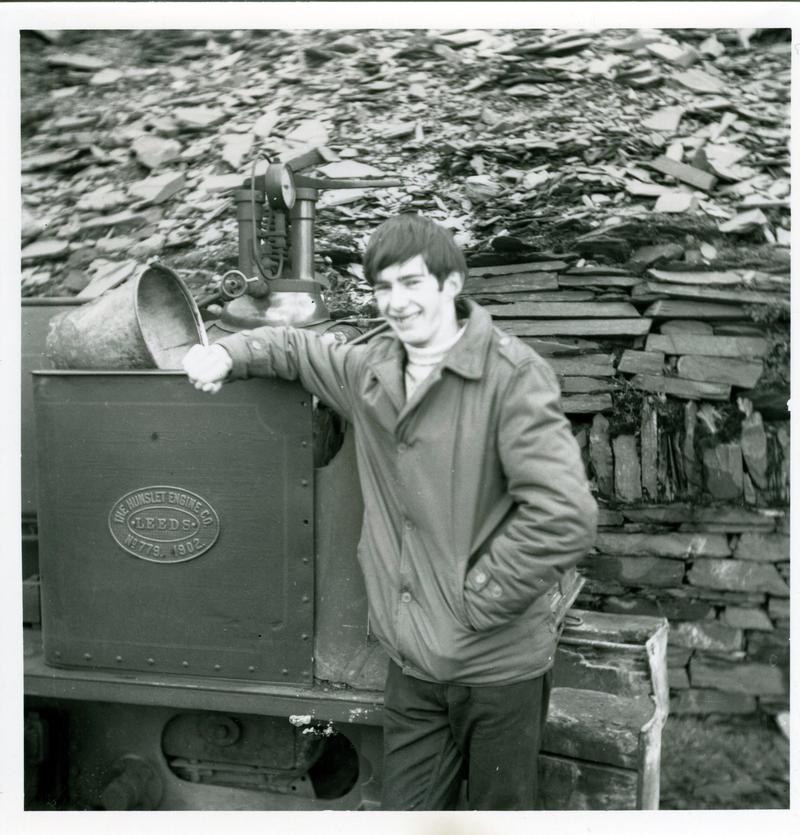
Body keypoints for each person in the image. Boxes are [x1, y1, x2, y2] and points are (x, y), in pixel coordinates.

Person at [183, 213, 598, 810]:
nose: (396, 303)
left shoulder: (512, 378)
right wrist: (227, 352)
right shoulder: (369, 370)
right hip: (412, 670)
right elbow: (296, 347)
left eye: (412, 283)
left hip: (497, 669)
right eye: (383, 288)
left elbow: (565, 515)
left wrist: (475, 599)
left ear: (452, 285)